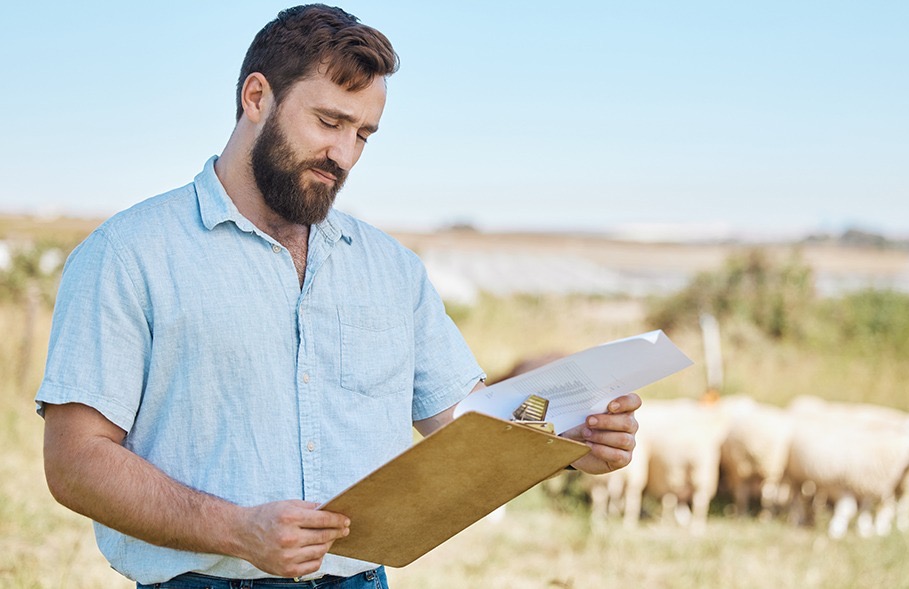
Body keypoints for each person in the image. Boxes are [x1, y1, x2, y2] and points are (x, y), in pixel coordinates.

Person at [36, 5, 641, 588]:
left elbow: (464, 422)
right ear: (256, 98)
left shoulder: (392, 269)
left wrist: (567, 445)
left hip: (363, 582)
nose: (344, 155)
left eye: (363, 134)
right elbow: (75, 462)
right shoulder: (128, 253)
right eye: (328, 122)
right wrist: (237, 531)